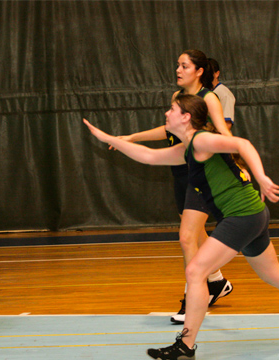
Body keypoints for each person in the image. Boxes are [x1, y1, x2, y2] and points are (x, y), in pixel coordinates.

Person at [83, 94, 279, 359]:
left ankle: (185, 346)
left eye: (171, 109)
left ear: (185, 117)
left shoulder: (200, 140)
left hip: (243, 215)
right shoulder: (188, 148)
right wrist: (109, 138)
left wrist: (262, 177)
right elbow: (149, 156)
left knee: (196, 271)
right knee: (275, 275)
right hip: (253, 213)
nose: (166, 114)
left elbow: (242, 143)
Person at [112, 50, 235, 324]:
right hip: (180, 171)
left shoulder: (210, 98)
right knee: (195, 232)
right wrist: (131, 137)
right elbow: (168, 131)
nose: (178, 70)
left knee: (187, 237)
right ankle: (215, 281)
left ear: (198, 70)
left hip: (202, 173)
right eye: (177, 65)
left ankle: (193, 297)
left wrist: (236, 163)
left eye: (184, 65)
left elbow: (225, 134)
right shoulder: (178, 99)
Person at [209, 58, 236, 126]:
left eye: (208, 73)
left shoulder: (224, 94)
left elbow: (227, 124)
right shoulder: (202, 92)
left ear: (217, 74)